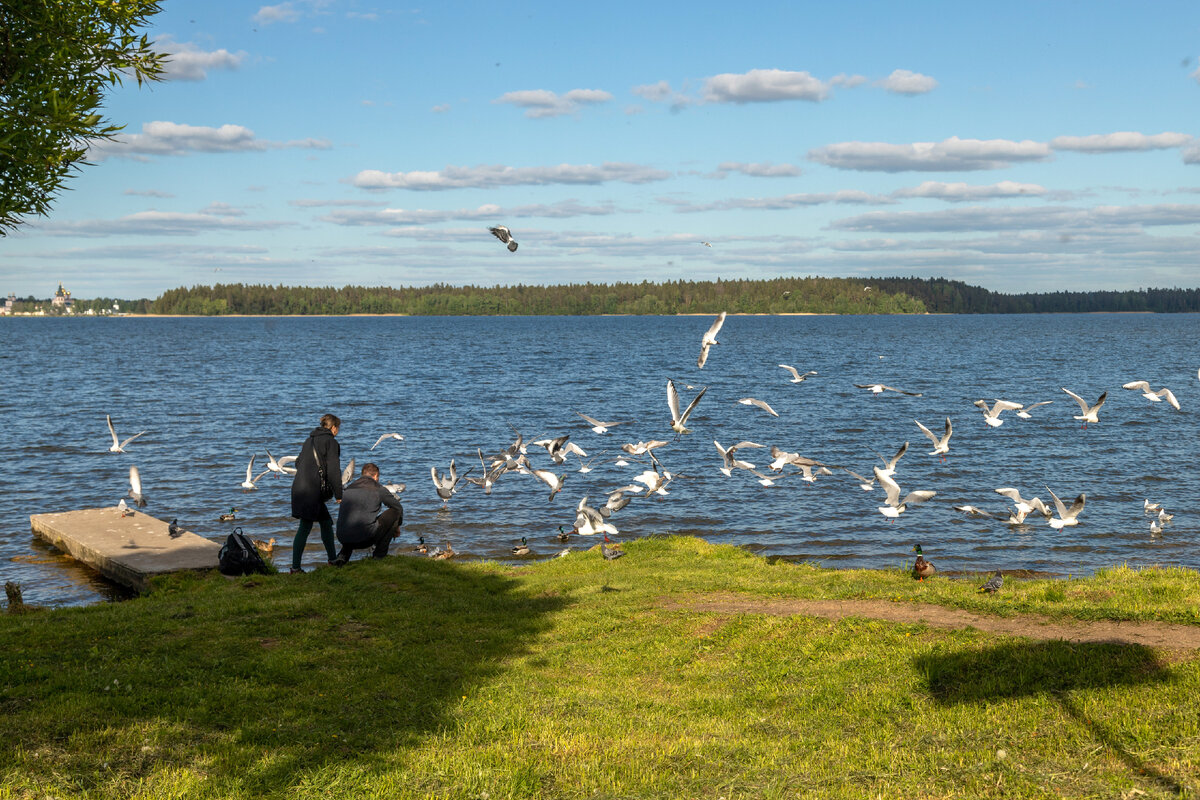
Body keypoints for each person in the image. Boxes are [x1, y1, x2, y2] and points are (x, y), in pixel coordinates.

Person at [289, 413, 343, 574]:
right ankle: (295, 568)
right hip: (311, 492)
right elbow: (334, 470)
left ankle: (333, 560)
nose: (338, 431)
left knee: (326, 522)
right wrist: (339, 494)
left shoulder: (309, 440)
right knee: (305, 526)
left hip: (299, 488)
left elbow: (298, 462)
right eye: (338, 428)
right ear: (333, 427)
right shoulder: (331, 442)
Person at [333, 462, 404, 563]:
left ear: (363, 474)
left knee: (354, 520)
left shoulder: (349, 488)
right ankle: (379, 556)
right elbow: (398, 507)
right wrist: (397, 526)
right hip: (365, 539)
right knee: (394, 512)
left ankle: (343, 556)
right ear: (375, 476)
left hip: (342, 537)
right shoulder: (378, 489)